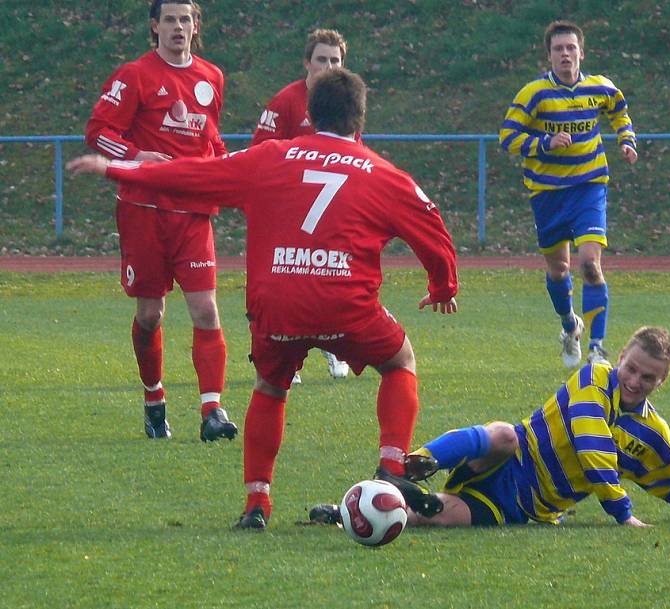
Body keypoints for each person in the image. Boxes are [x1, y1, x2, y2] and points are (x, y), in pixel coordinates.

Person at [68, 68, 459, 530]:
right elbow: (432, 230)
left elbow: (191, 174)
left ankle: (257, 504)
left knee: (271, 388)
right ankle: (392, 466)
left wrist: (114, 167)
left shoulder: (270, 157)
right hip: (345, 304)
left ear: (309, 115)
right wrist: (442, 285)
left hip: (278, 303)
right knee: (399, 362)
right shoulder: (383, 173)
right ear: (360, 122)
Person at [310, 327, 670, 528]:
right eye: (632, 368)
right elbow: (591, 444)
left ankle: (353, 511)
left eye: (648, 377)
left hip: (526, 508)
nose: (634, 380)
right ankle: (408, 469)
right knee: (504, 432)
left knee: (440, 516)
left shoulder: (652, 434)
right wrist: (623, 514)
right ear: (620, 356)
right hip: (509, 458)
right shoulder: (593, 376)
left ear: (663, 381)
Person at [83, 0, 237, 442]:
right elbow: (98, 132)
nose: (177, 26)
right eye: (169, 19)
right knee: (150, 314)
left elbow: (211, 135)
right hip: (144, 210)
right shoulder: (134, 75)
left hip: (192, 211)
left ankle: (212, 411)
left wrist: (224, 169)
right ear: (155, 26)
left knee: (206, 309)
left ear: (195, 26)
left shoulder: (211, 76)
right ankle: (154, 400)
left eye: (185, 19)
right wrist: (135, 156)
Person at [499, 20, 638, 369]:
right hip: (548, 194)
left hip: (589, 187)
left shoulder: (599, 87)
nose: (565, 54)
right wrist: (545, 143)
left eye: (571, 48)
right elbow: (508, 138)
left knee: (590, 263)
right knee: (559, 270)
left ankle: (597, 348)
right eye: (559, 49)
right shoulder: (534, 94)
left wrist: (626, 140)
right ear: (549, 55)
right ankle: (569, 326)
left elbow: (619, 111)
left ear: (581, 53)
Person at [252, 28, 352, 383]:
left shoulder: (346, 103)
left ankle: (334, 347)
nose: (328, 66)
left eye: (335, 60)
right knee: (290, 283)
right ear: (307, 63)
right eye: (322, 59)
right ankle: (286, 357)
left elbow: (354, 155)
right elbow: (259, 155)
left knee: (333, 280)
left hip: (331, 210)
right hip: (290, 212)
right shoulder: (285, 102)